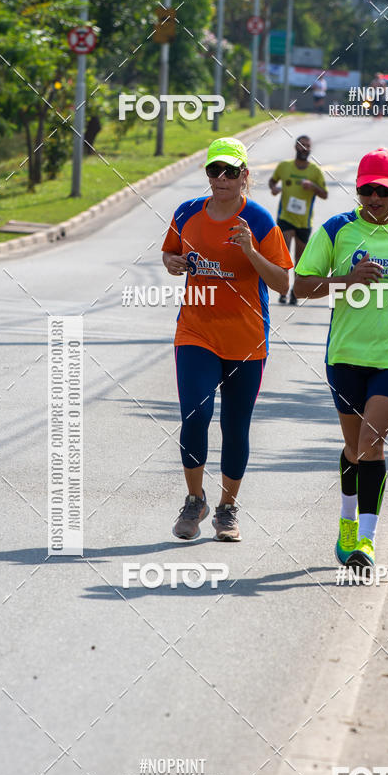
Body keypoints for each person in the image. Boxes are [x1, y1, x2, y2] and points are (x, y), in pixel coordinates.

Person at [293, 148, 388, 570]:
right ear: (357, 189)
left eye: (382, 191)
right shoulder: (336, 230)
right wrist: (347, 279)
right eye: (366, 191)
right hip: (345, 354)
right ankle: (347, 525)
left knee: (370, 443)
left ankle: (366, 540)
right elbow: (302, 286)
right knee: (352, 446)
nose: (374, 199)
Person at [162, 137, 293, 541]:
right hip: (196, 332)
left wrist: (251, 251)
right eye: (214, 170)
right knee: (195, 416)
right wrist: (174, 263)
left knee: (236, 427)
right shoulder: (186, 213)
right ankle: (194, 499)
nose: (220, 178)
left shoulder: (259, 220)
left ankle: (227, 508)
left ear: (244, 177)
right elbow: (168, 255)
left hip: (246, 339)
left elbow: (284, 280)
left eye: (230, 172)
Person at [269, 136, 328, 304]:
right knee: (285, 256)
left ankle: (295, 292)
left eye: (308, 146)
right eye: (302, 145)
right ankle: (283, 290)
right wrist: (274, 189)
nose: (304, 148)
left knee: (299, 260)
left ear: (310, 149)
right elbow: (272, 181)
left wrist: (313, 186)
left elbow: (324, 194)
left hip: (304, 222)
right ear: (296, 147)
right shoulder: (284, 167)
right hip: (285, 218)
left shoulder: (315, 171)